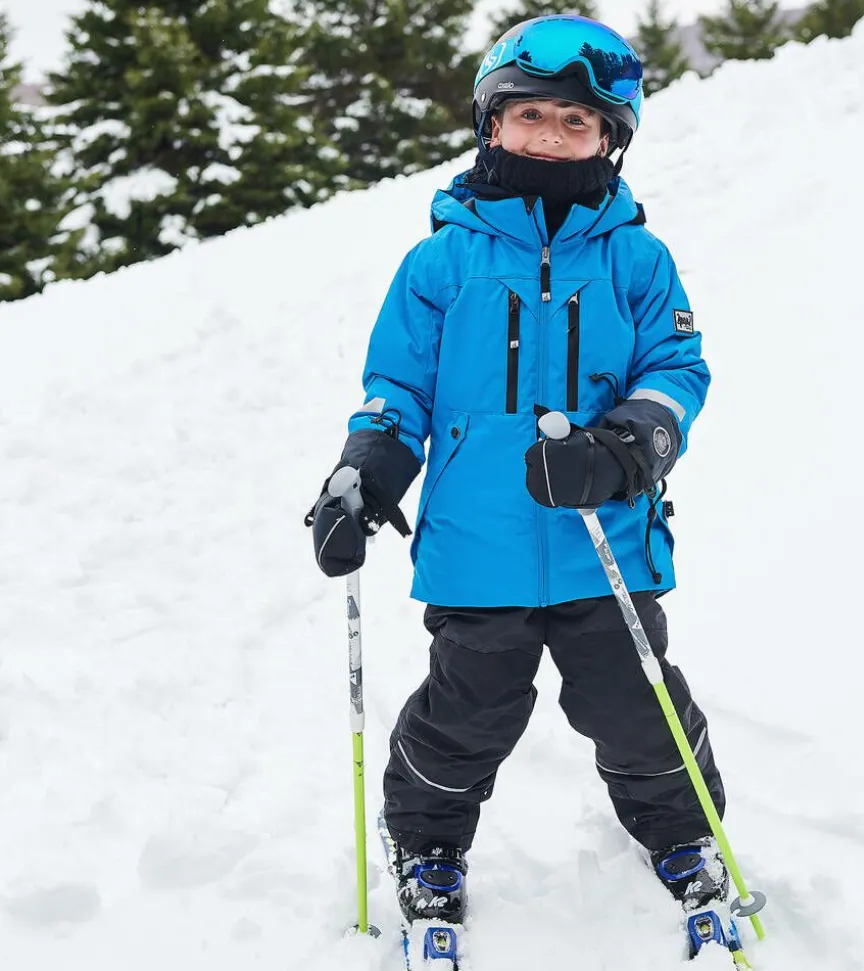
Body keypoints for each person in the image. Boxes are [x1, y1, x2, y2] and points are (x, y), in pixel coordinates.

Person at [307, 15, 726, 928]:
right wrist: (365, 471)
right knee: (465, 717)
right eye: (529, 113)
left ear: (611, 140)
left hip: (605, 542)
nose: (549, 134)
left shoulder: (636, 259)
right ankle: (426, 840)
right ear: (489, 124)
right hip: (476, 549)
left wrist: (626, 448)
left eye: (576, 122)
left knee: (640, 706)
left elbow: (677, 373)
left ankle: (683, 832)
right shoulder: (439, 261)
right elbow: (397, 389)